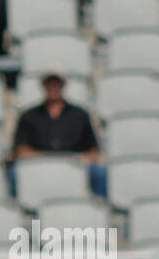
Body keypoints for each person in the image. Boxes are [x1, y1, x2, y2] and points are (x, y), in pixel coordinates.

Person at [10, 70, 107, 199]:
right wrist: (47, 158)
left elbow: (94, 151)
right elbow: (20, 150)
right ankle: (30, 216)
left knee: (100, 174)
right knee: (14, 173)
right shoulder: (29, 116)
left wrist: (81, 159)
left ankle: (99, 215)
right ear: (43, 85)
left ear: (63, 85)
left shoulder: (80, 115)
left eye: (57, 83)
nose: (53, 87)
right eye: (49, 84)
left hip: (74, 165)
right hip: (39, 166)